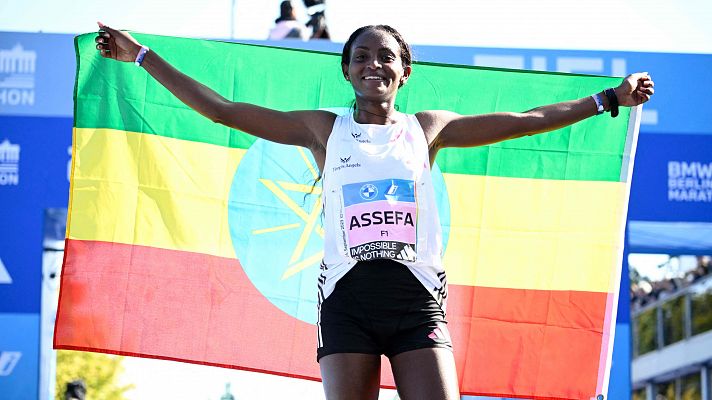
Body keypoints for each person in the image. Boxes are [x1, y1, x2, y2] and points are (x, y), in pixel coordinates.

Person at [94, 22, 654, 400]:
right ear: (347, 71)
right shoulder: (323, 129)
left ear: (404, 71)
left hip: (416, 303)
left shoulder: (428, 129)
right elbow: (222, 110)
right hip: (347, 303)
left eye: (386, 57)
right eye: (361, 56)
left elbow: (526, 120)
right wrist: (140, 55)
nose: (373, 65)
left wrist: (608, 99)